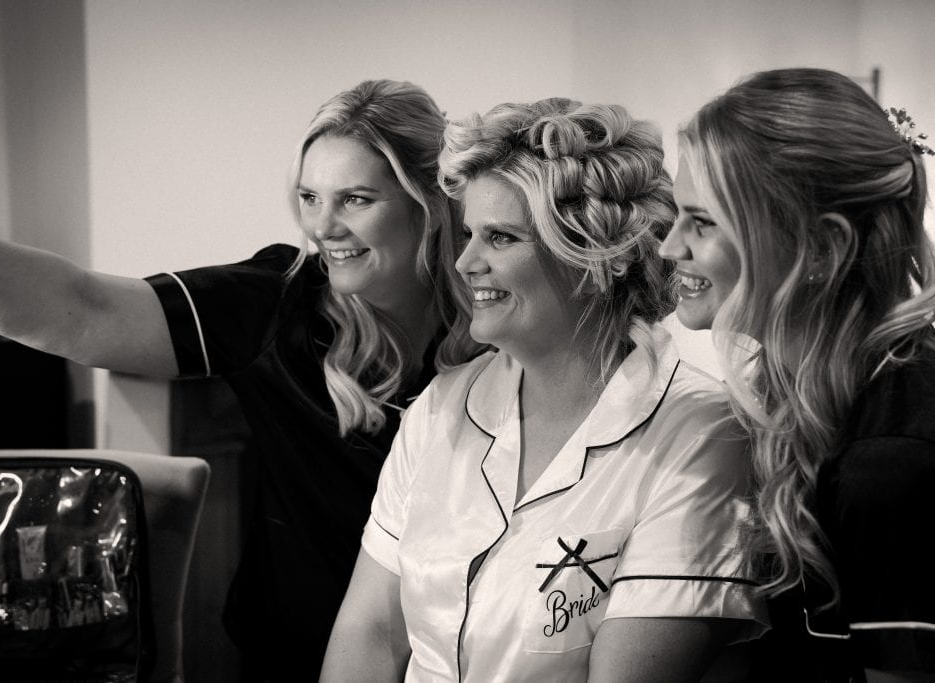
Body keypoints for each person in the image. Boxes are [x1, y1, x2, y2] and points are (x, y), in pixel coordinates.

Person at [0, 79, 483, 681]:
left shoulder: (497, 323)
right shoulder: (281, 304)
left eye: (356, 200)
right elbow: (84, 308)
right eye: (309, 197)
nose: (323, 226)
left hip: (470, 653)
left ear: (428, 202)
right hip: (299, 656)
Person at [321, 97, 766, 682]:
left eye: (501, 238)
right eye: (469, 234)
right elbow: (372, 633)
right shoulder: (441, 406)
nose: (465, 262)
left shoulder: (704, 433)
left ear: (596, 258)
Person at [659, 67, 935, 680]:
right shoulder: (801, 402)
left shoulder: (889, 462)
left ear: (819, 249)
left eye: (702, 221)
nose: (668, 247)